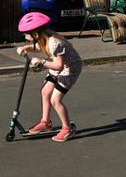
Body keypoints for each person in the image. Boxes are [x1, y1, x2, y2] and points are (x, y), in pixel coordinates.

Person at [16, 12, 82, 143]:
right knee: (45, 92)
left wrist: (41, 62)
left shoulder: (54, 42)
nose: (25, 36)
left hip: (69, 69)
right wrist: (25, 48)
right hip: (59, 66)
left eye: (26, 34)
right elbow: (39, 47)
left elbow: (59, 66)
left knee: (55, 100)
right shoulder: (45, 37)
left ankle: (67, 129)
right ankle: (45, 122)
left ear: (35, 34)